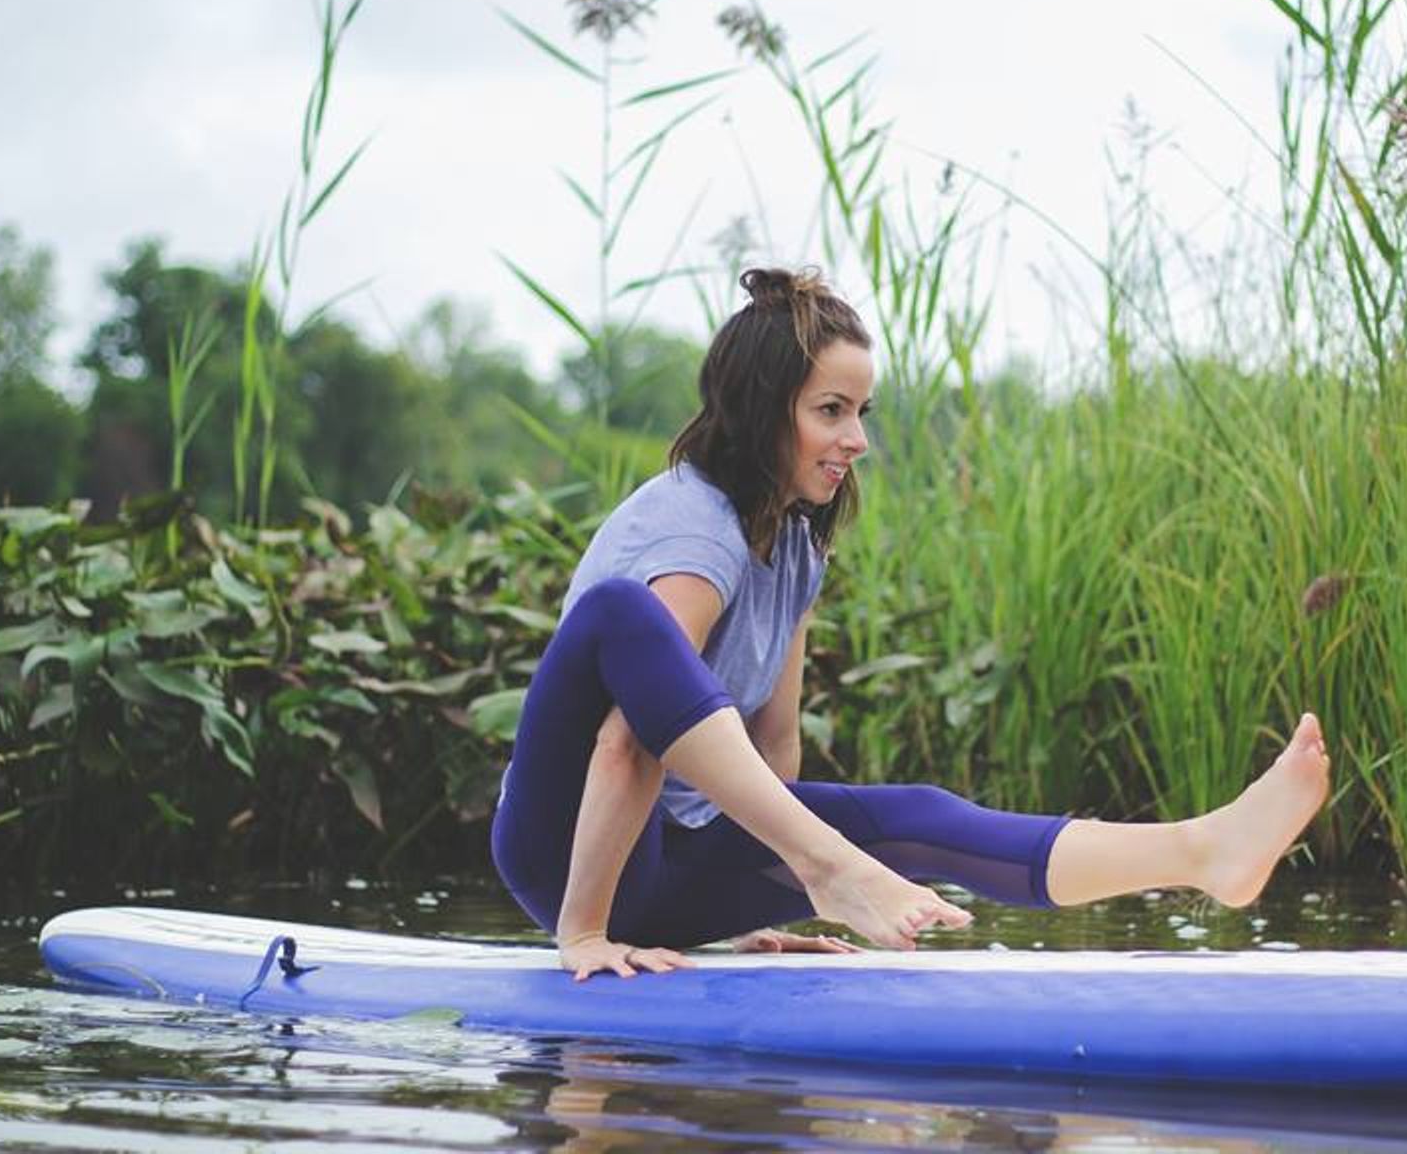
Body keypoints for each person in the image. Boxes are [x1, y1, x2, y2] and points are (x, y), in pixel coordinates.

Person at [491, 267, 1331, 981]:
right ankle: (835, 871)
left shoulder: (793, 540)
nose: (856, 438)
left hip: (670, 863)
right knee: (619, 612)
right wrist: (587, 934)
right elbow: (625, 744)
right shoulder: (692, 535)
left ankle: (1204, 853)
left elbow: (770, 741)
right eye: (830, 411)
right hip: (571, 858)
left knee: (915, 816)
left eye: (861, 411)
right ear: (761, 410)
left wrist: (747, 906)